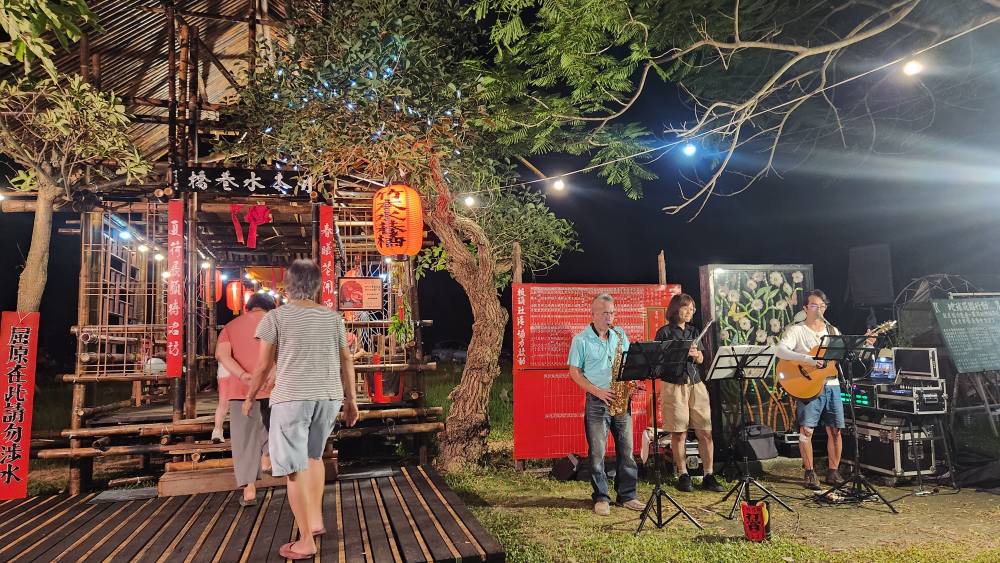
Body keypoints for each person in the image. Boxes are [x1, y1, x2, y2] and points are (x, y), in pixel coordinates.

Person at [244, 259, 359, 560]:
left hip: (292, 398)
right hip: (328, 397)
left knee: (293, 469)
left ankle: (306, 540)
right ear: (317, 286)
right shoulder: (332, 318)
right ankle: (316, 520)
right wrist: (351, 400)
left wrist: (250, 397)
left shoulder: (275, 318)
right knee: (314, 457)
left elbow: (262, 365)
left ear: (287, 286)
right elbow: (347, 359)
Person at [567, 293, 644, 516]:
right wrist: (598, 392)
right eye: (604, 313)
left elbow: (627, 363)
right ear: (593, 314)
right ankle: (601, 497)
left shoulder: (620, 335)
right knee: (597, 453)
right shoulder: (581, 340)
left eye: (612, 313)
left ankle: (627, 495)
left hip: (621, 401)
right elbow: (574, 373)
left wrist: (631, 383)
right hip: (597, 401)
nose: (609, 317)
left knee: (627, 451)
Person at [774, 289, 845, 490]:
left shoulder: (832, 331)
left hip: (832, 384)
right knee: (807, 430)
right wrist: (807, 359)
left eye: (822, 306)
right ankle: (809, 471)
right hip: (808, 384)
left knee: (836, 429)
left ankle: (833, 471)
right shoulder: (797, 330)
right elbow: (780, 350)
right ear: (805, 308)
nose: (819, 309)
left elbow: (841, 355)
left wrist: (865, 343)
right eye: (814, 305)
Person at [654, 294, 725, 493]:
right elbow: (658, 362)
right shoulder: (664, 332)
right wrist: (678, 353)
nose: (690, 312)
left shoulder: (694, 331)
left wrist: (696, 354)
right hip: (674, 385)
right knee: (679, 432)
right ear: (675, 309)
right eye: (686, 308)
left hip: (695, 384)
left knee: (705, 431)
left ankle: (708, 474)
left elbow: (701, 359)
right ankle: (683, 474)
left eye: (692, 309)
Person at [214, 292, 276, 506]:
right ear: (271, 308)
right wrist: (274, 372)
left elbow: (222, 355)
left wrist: (242, 375)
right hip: (273, 386)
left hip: (241, 389)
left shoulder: (230, 327)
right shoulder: (276, 322)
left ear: (248, 307)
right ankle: (268, 459)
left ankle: (249, 490)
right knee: (275, 426)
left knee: (244, 439)